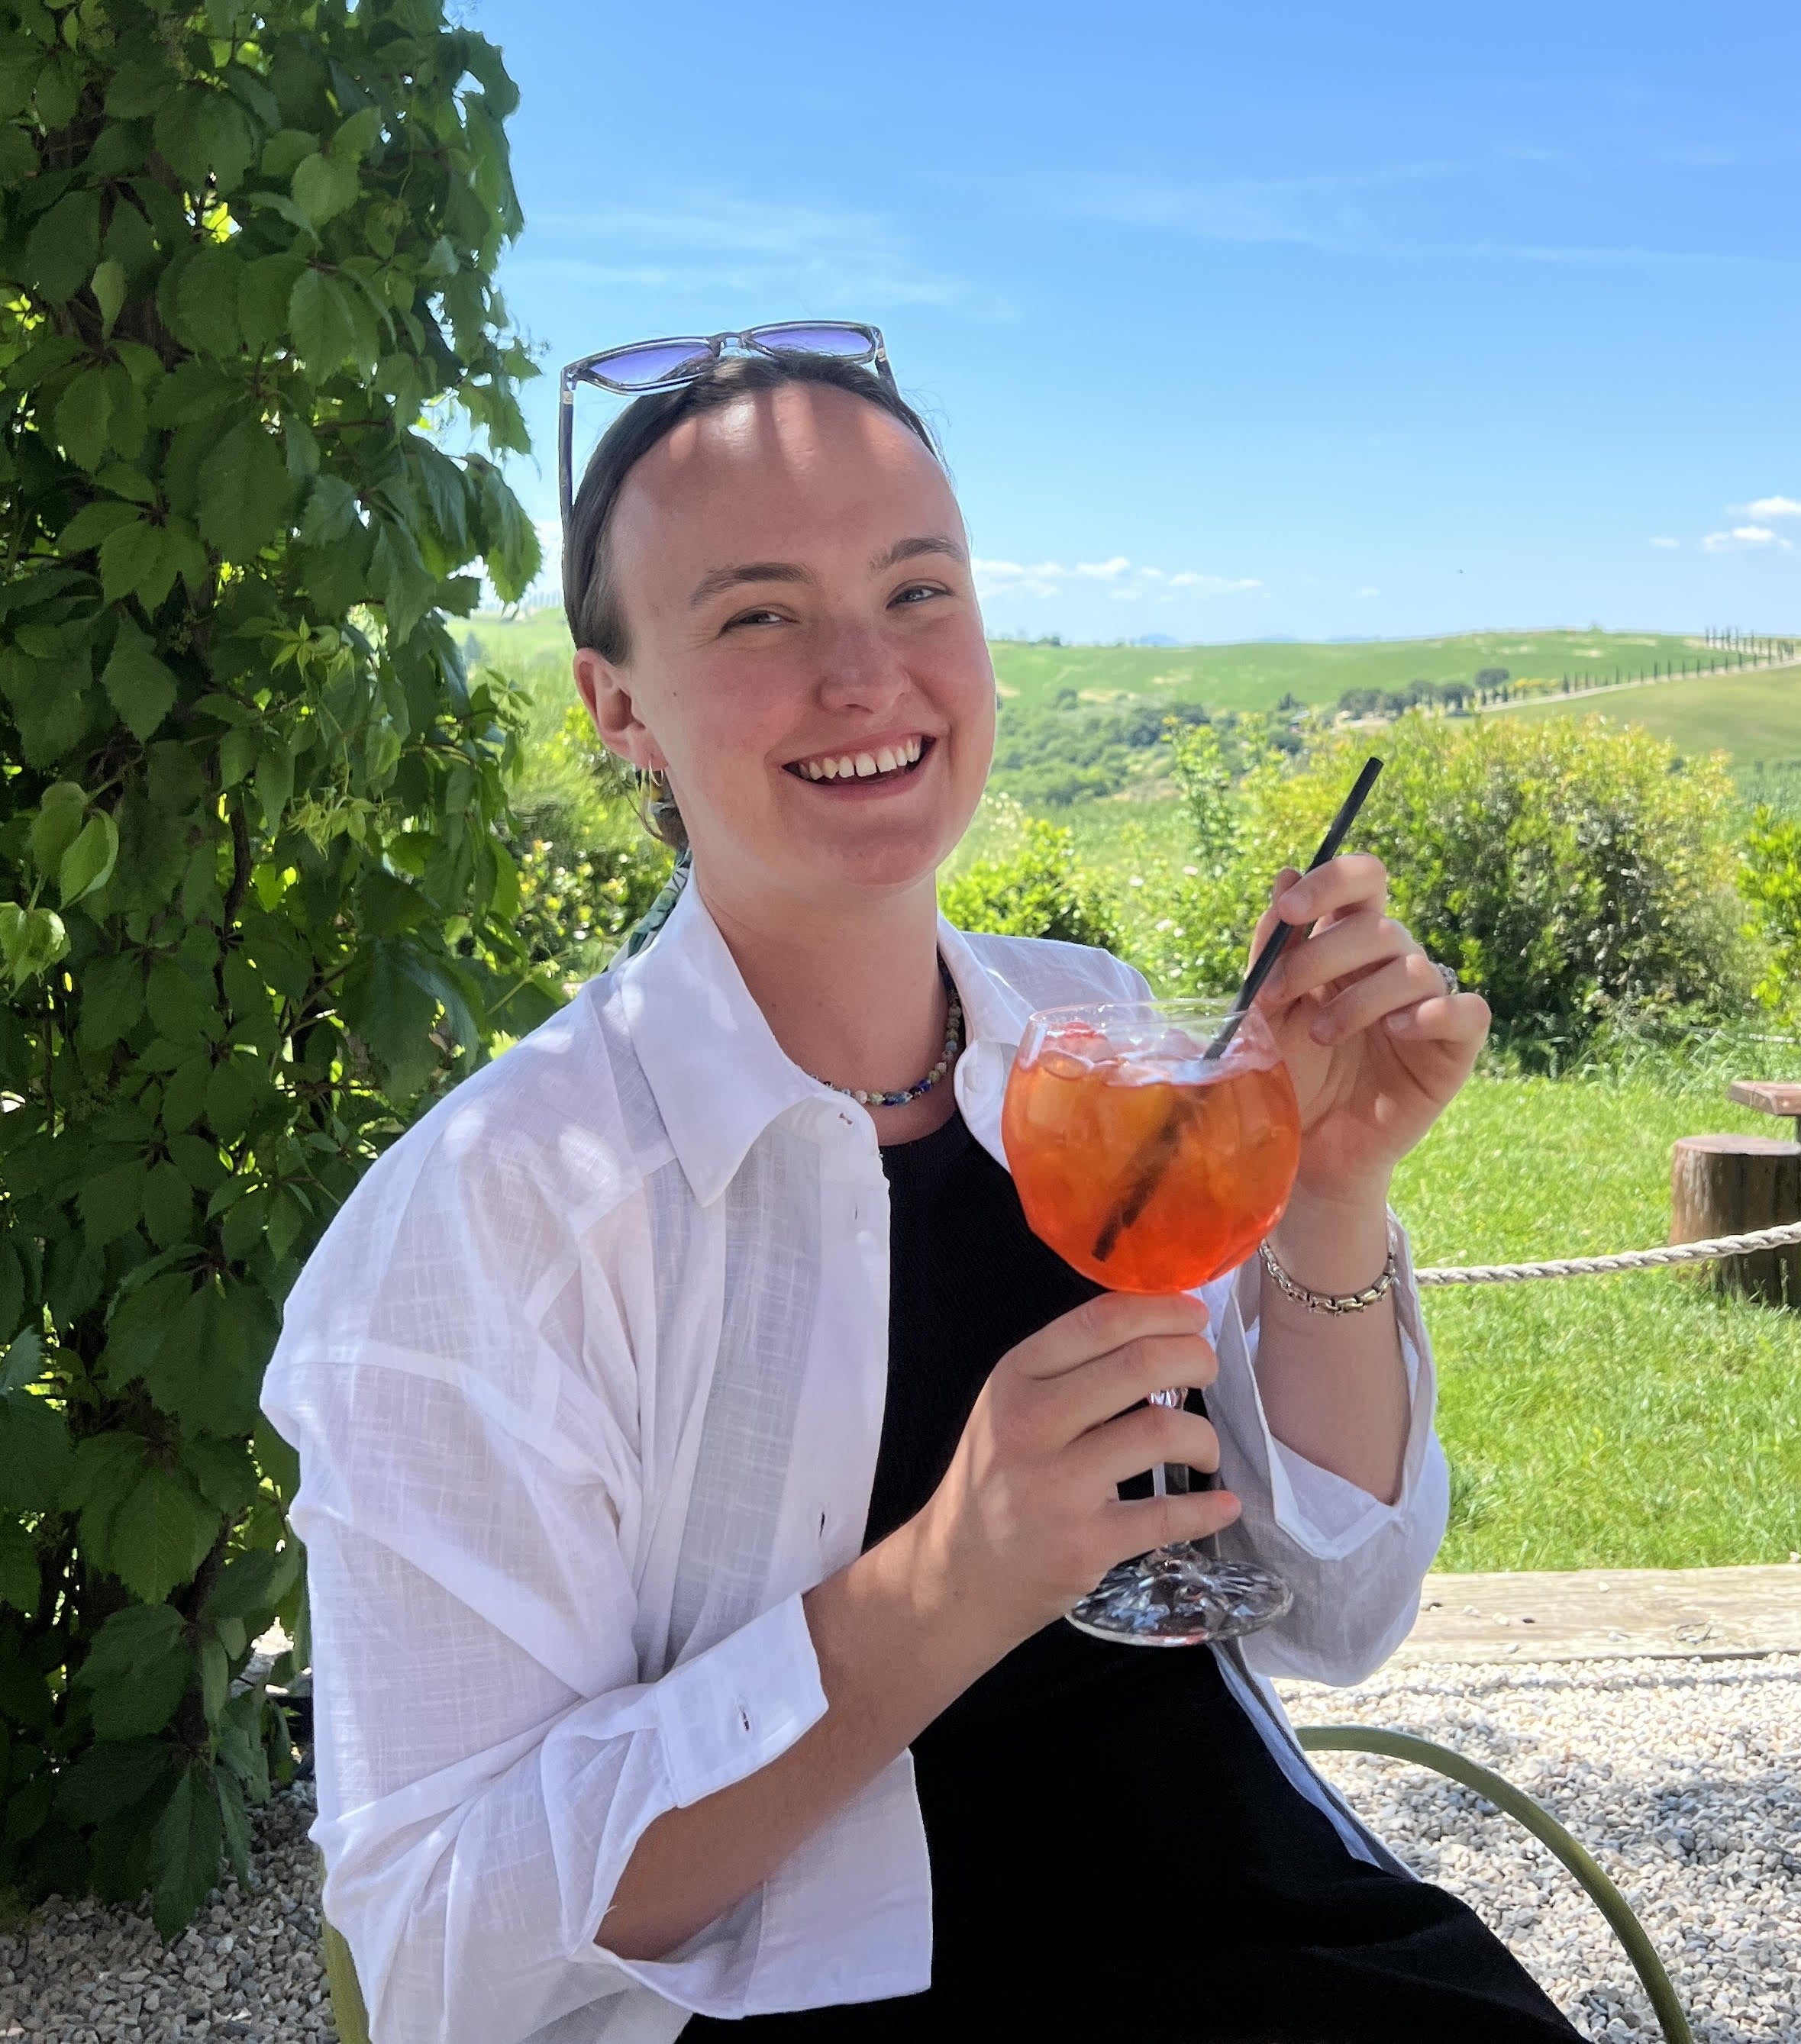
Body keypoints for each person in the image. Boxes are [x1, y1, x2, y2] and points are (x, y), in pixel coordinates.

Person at [260, 334, 1581, 2044]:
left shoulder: (1092, 1035)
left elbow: (1330, 1609)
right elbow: (445, 1949)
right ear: (617, 705)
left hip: (1251, 1926)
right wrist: (942, 1588)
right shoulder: (496, 1217)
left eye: (916, 591)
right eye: (755, 615)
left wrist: (1327, 1198)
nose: (863, 675)